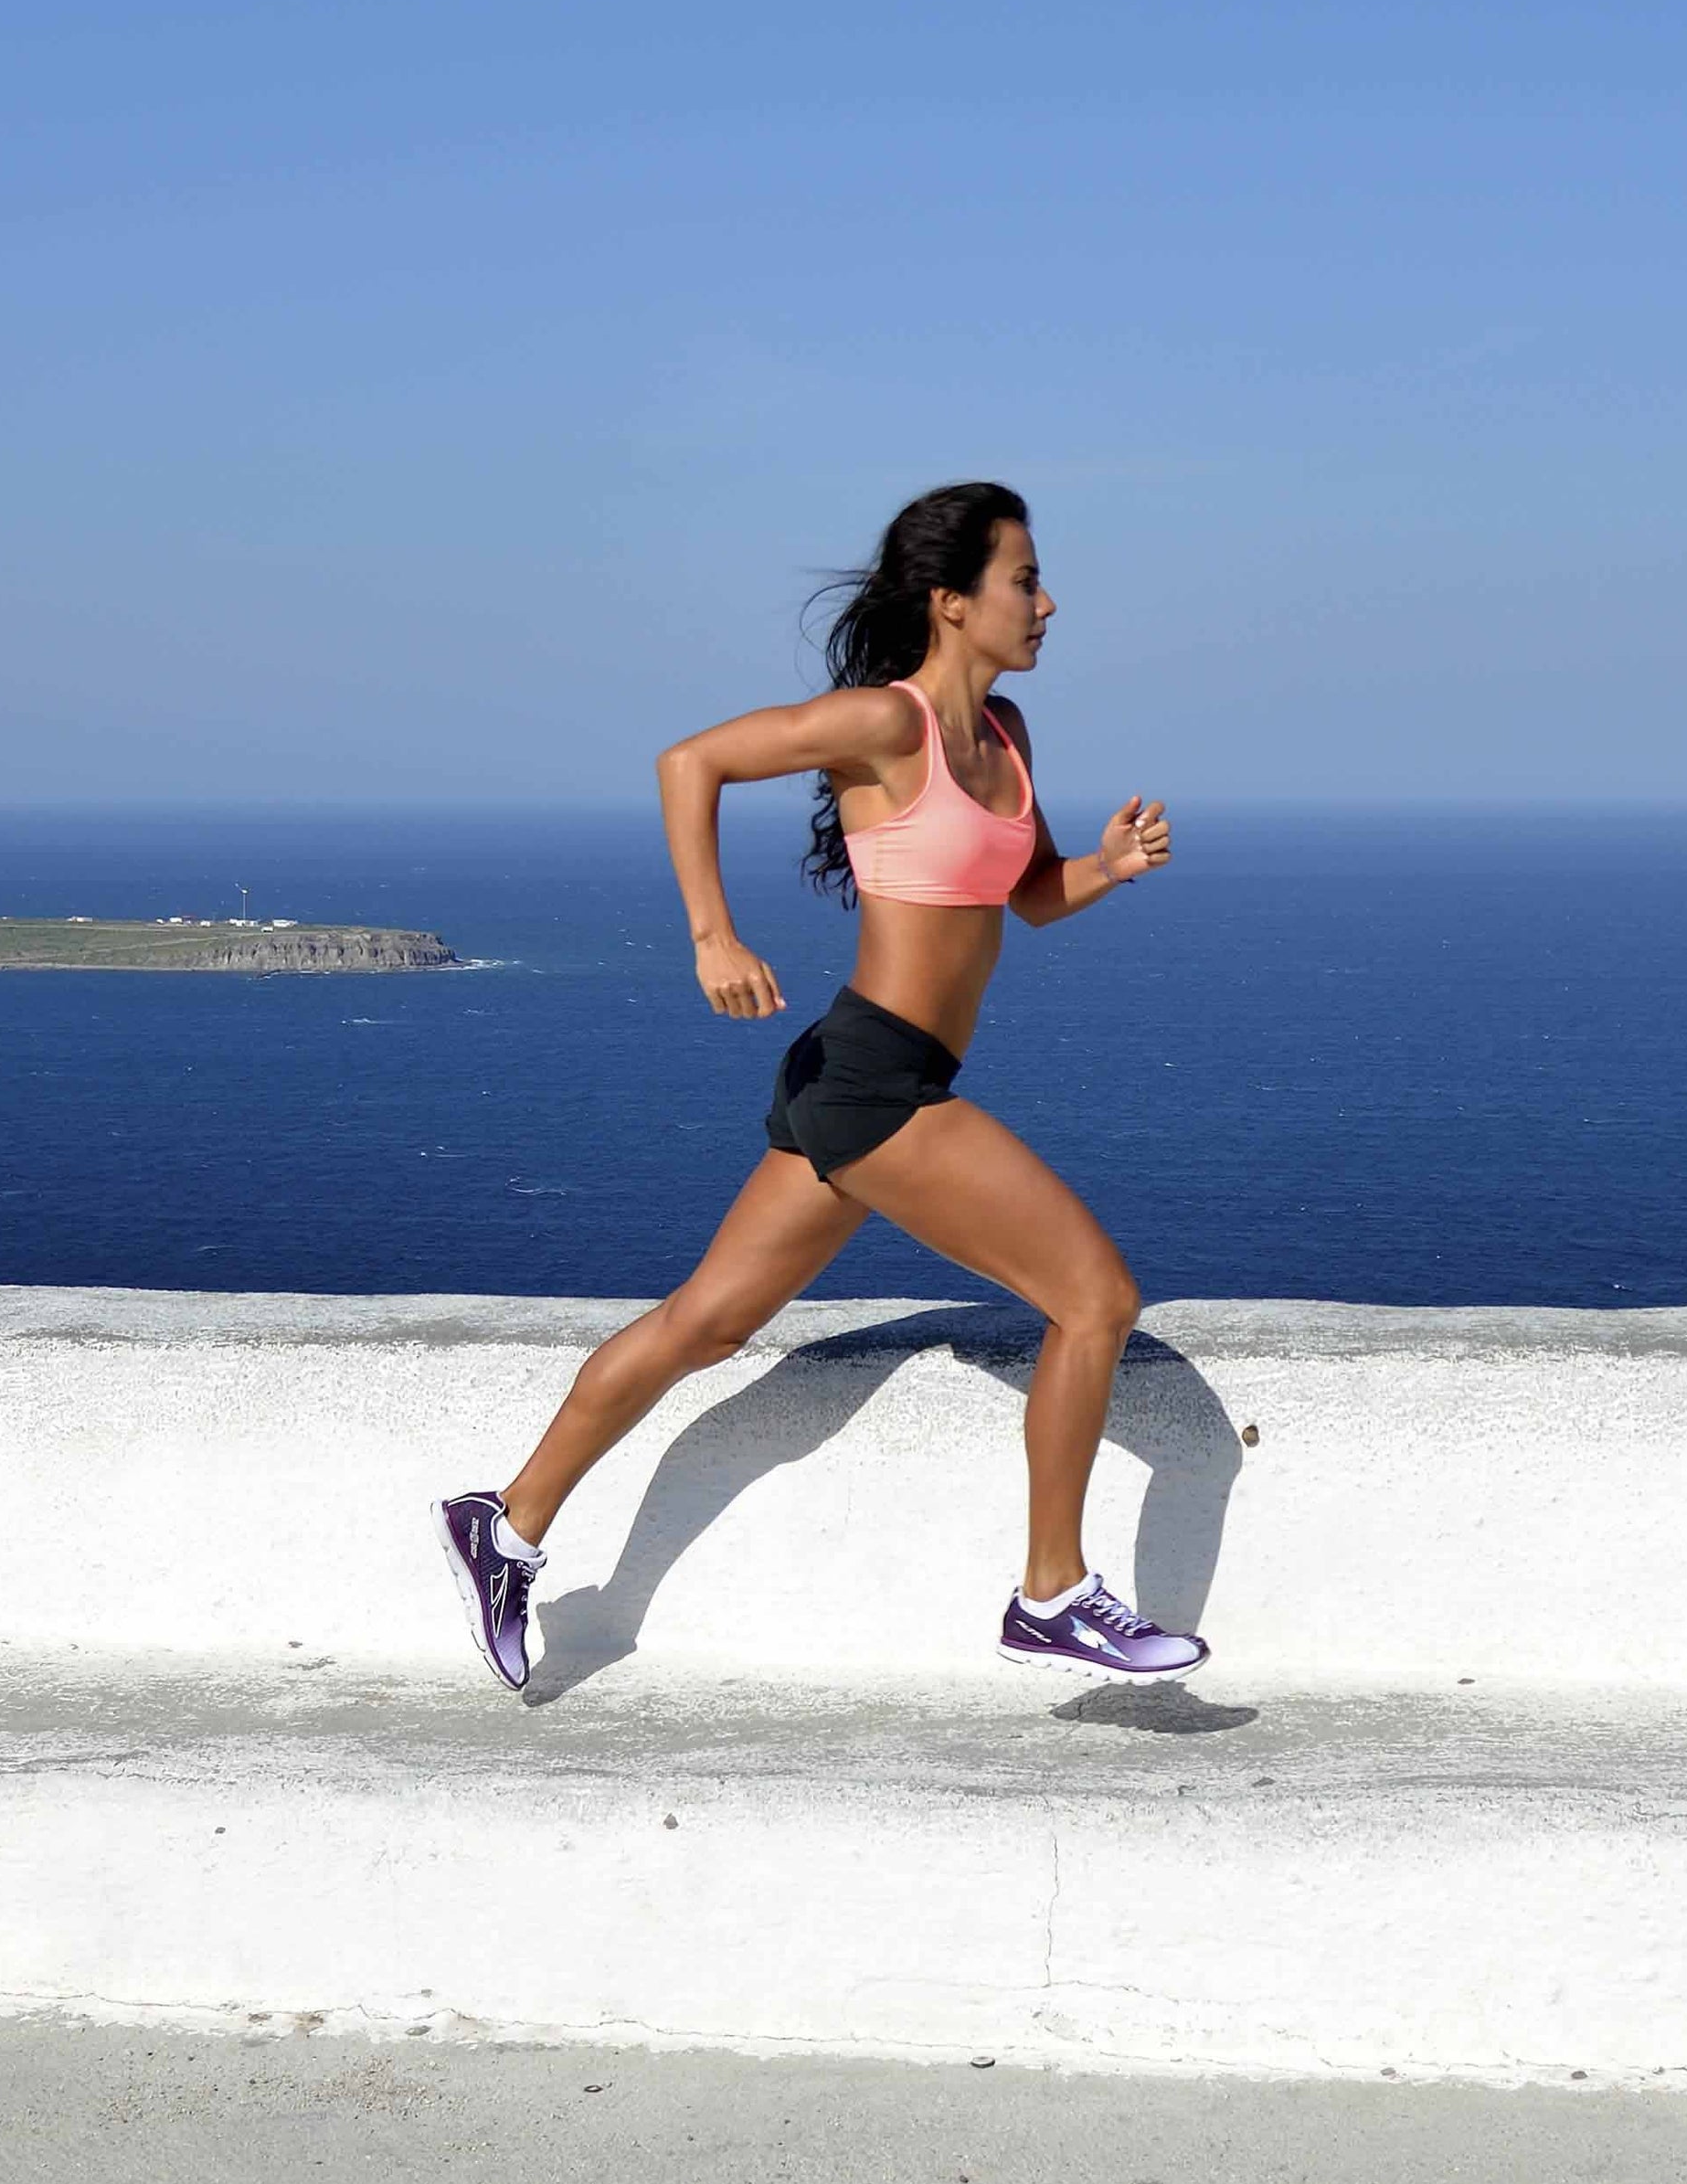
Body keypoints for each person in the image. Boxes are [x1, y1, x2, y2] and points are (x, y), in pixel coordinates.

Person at [437, 482, 1196, 1689]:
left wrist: (1103, 866)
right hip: (876, 1082)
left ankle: (507, 1522)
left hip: (868, 1074)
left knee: (708, 1323)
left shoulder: (1006, 738)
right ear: (952, 602)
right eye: (1023, 579)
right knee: (1096, 1300)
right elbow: (691, 761)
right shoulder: (882, 727)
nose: (1047, 604)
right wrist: (712, 938)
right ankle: (1052, 1593)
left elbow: (1028, 896)